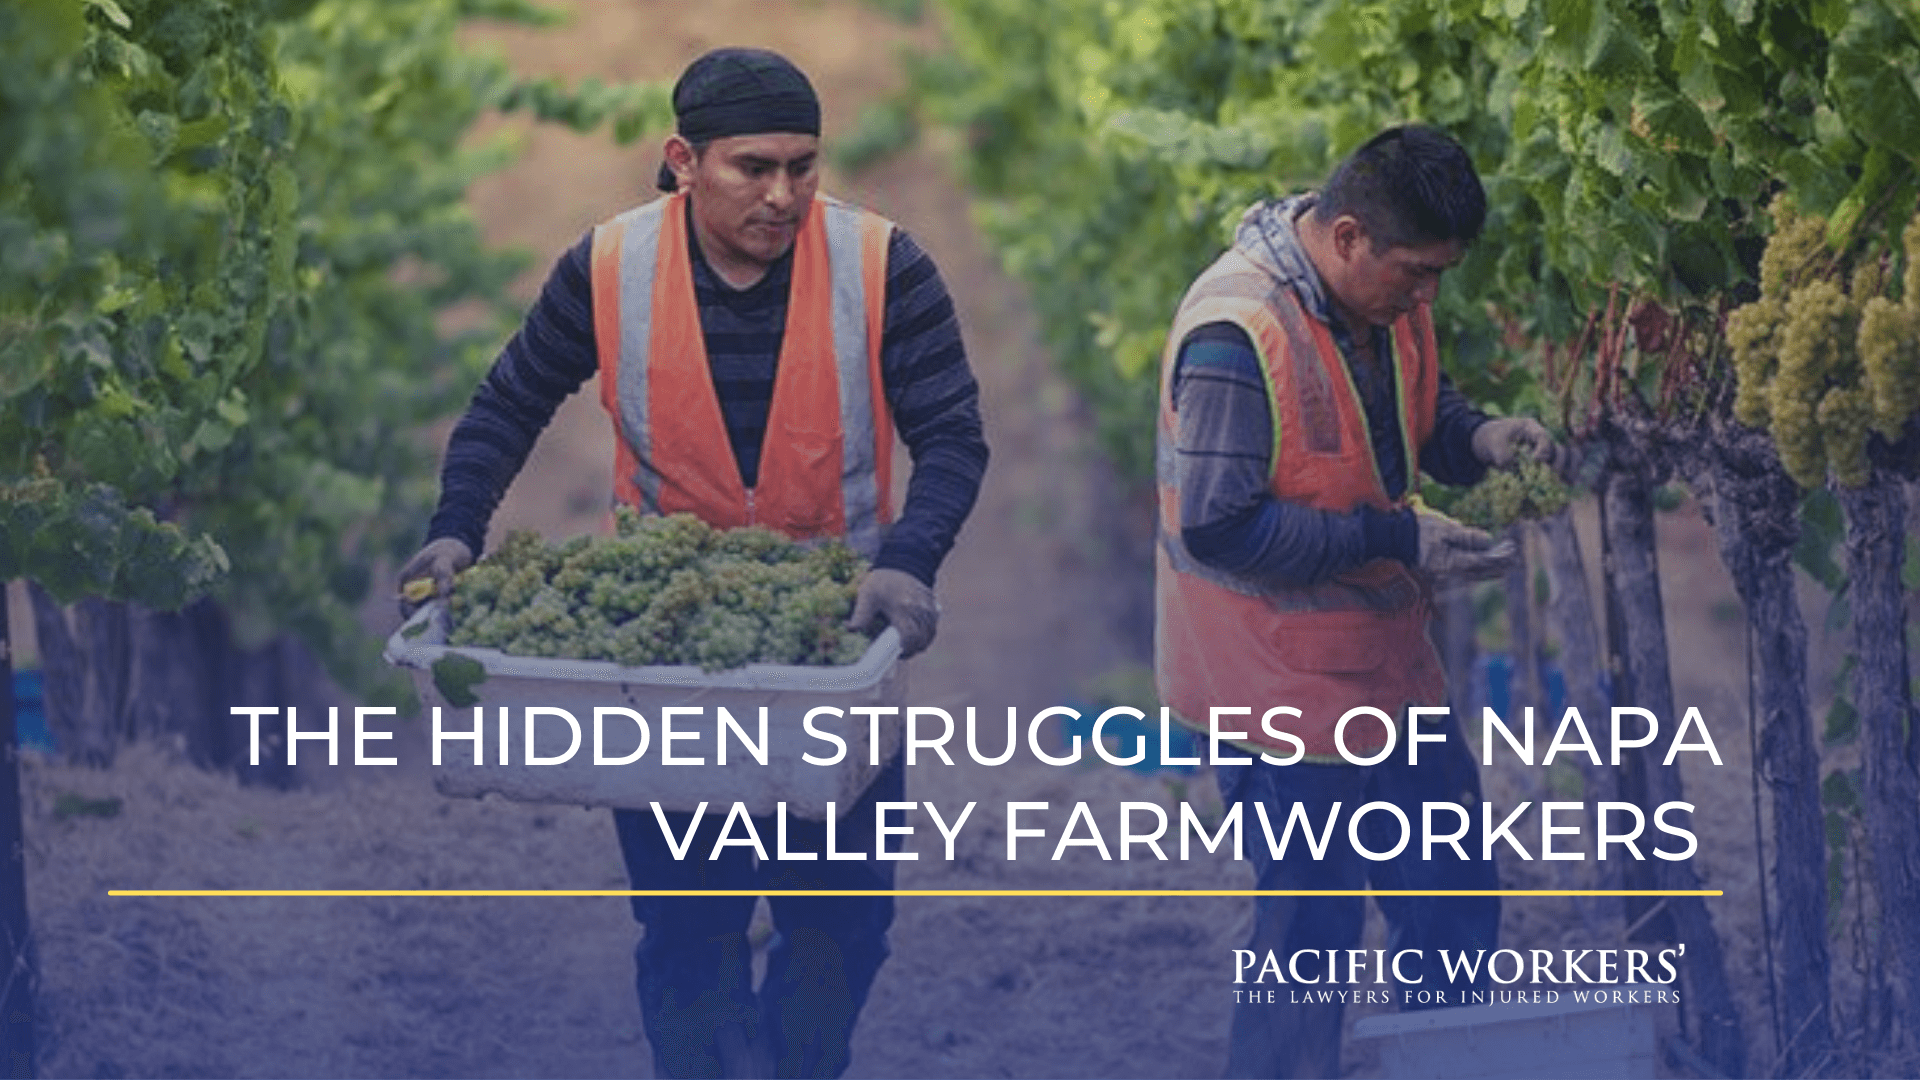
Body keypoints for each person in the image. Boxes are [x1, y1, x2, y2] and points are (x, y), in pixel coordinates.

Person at [398, 47, 988, 1078]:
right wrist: (459, 527)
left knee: (840, 930)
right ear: (682, 160)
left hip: (834, 652)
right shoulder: (609, 265)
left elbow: (953, 438)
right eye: (753, 167)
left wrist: (909, 562)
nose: (784, 193)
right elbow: (509, 402)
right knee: (687, 931)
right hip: (665, 654)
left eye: (803, 166)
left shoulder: (885, 264)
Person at [1153, 125, 1563, 1078]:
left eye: (1439, 277)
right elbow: (1221, 529)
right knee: (1309, 940)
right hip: (1274, 693)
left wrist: (1482, 438)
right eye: (1417, 273)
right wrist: (1397, 540)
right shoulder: (1233, 331)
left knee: (1454, 901)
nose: (1429, 296)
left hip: (1381, 670)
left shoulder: (1387, 300)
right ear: (1345, 236)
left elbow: (1422, 414)